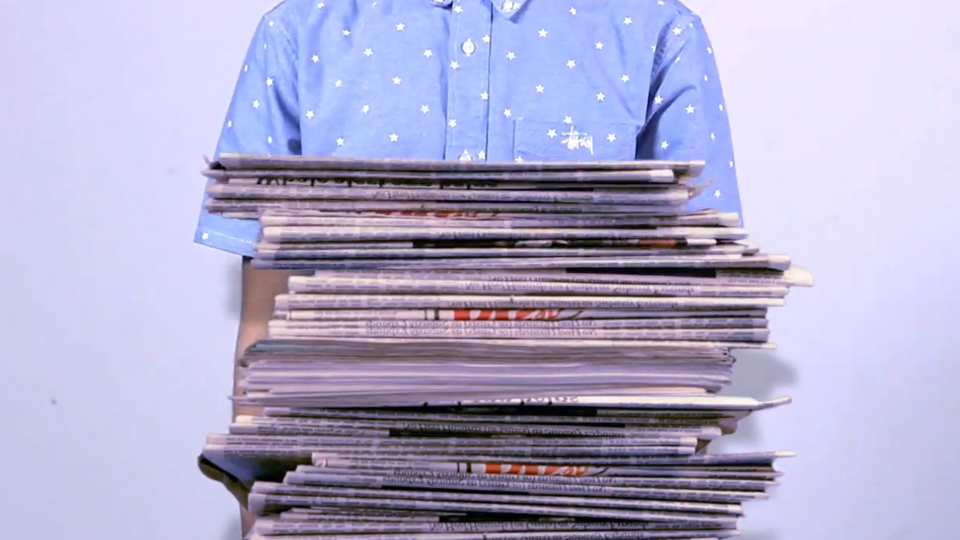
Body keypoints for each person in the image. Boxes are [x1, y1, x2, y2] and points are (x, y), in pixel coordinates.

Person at [193, 0, 743, 534]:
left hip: (581, 499)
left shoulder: (657, 32)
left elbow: (696, 327)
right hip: (351, 495)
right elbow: (264, 326)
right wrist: (260, 515)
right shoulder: (298, 33)